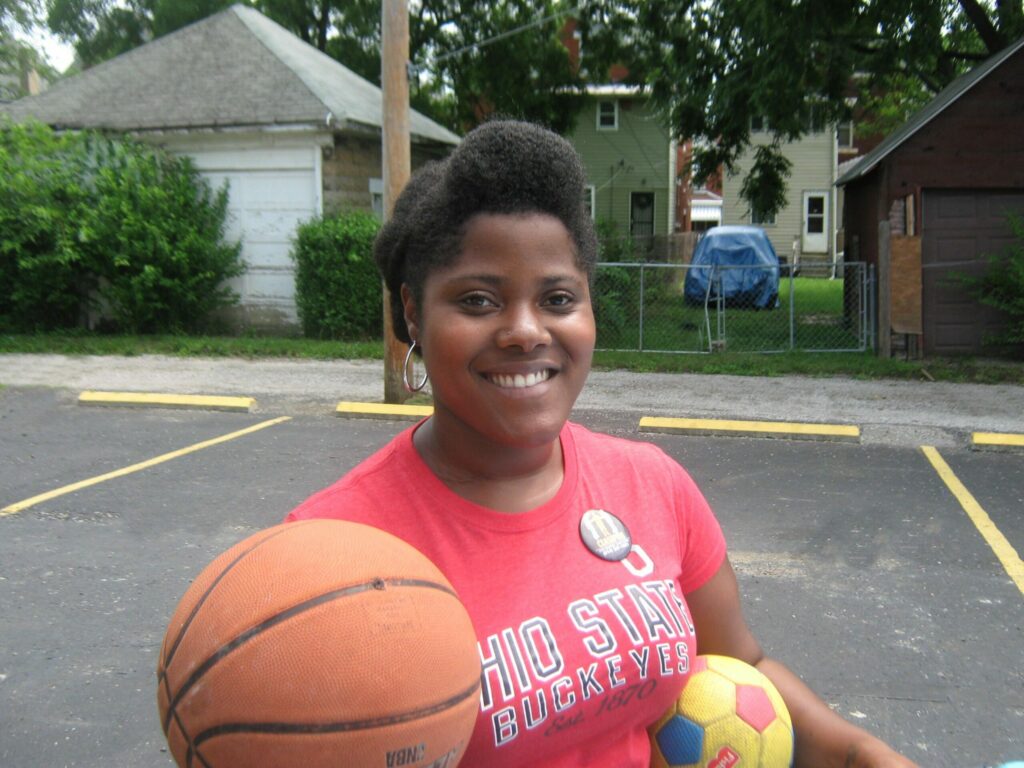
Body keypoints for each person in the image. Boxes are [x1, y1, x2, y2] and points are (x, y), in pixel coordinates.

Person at [286, 120, 917, 768]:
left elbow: (741, 665)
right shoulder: (330, 553)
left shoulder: (651, 484)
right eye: (478, 301)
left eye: (558, 297)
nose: (526, 331)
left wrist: (862, 753)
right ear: (413, 312)